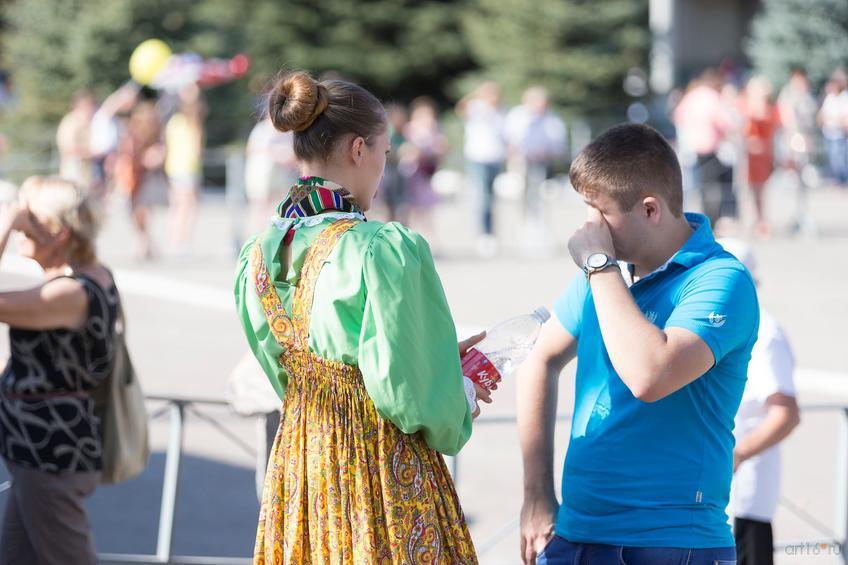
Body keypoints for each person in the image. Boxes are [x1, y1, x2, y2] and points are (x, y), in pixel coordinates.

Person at [234, 71, 488, 564]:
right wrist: (455, 391)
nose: (382, 167)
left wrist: (432, 360)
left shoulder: (258, 255)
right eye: (384, 152)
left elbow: (283, 368)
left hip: (301, 458)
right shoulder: (381, 248)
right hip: (375, 462)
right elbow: (405, 392)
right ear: (358, 149)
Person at [517, 123, 758, 564]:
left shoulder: (722, 279)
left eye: (599, 213)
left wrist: (599, 264)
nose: (588, 228)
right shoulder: (604, 275)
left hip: (672, 542)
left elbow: (650, 376)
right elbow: (540, 357)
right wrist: (537, 495)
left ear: (650, 210)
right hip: (574, 534)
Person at [0, 176, 118, 565]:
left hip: (50, 454)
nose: (21, 230)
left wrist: (7, 223)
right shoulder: (88, 277)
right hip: (39, 452)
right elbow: (55, 363)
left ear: (59, 232)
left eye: (30, 221)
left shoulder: (69, 293)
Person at [717, 238, 800, 565]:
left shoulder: (765, 331)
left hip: (744, 500)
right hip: (712, 498)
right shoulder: (718, 321)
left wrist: (735, 455)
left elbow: (785, 415)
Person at [504, 86, 566, 254]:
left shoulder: (552, 120)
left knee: (541, 198)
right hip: (521, 162)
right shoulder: (517, 116)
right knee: (521, 197)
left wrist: (547, 152)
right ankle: (524, 230)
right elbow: (509, 138)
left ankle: (540, 230)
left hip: (542, 163)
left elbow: (558, 144)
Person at [673, 69, 738, 225]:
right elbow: (724, 122)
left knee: (700, 187)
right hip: (711, 149)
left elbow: (678, 117)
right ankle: (714, 219)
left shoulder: (691, 96)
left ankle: (701, 217)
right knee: (716, 187)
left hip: (692, 148)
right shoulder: (713, 98)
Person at [456, 82, 507, 257]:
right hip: (478, 158)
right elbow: (460, 108)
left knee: (491, 197)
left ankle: (491, 232)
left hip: (495, 158)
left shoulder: (501, 112)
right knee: (483, 197)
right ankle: (484, 233)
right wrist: (475, 94)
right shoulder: (476, 107)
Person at [115, 101, 167, 261]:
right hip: (132, 177)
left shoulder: (157, 136)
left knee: (142, 211)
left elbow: (158, 157)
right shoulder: (131, 134)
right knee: (132, 212)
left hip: (148, 178)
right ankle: (147, 243)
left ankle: (142, 244)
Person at [401, 96, 448, 248]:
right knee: (408, 208)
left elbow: (440, 151)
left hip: (425, 175)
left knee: (425, 209)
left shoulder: (435, 133)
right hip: (410, 173)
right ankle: (408, 239)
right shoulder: (409, 130)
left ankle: (428, 239)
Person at [777, 68, 818, 235]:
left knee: (804, 182)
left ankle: (803, 214)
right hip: (795, 140)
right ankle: (797, 216)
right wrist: (795, 139)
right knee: (793, 181)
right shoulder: (789, 95)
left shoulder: (807, 96)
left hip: (805, 139)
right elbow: (788, 120)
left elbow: (812, 118)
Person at [165, 84, 206, 251]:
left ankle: (175, 239)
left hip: (173, 167)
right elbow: (197, 150)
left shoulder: (174, 122)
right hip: (188, 168)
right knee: (187, 206)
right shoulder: (193, 124)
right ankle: (182, 240)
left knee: (176, 205)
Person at [740, 76, 780, 237]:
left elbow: (772, 132)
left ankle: (760, 220)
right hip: (750, 156)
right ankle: (754, 221)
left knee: (760, 191)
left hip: (762, 156)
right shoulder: (747, 108)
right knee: (749, 190)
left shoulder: (768, 109)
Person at [57, 90, 97, 187]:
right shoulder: (69, 123)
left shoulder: (95, 122)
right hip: (74, 176)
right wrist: (94, 153)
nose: (91, 109)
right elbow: (68, 149)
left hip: (92, 177)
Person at [376, 103, 409, 223]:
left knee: (399, 201)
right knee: (390, 200)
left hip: (398, 171)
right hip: (389, 170)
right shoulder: (390, 132)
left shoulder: (403, 132)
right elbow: (387, 150)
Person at [818, 71, 848, 188]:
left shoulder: (844, 98)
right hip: (829, 133)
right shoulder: (829, 98)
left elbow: (843, 118)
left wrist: (832, 118)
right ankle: (838, 180)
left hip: (839, 134)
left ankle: (842, 180)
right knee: (832, 158)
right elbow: (823, 115)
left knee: (839, 159)